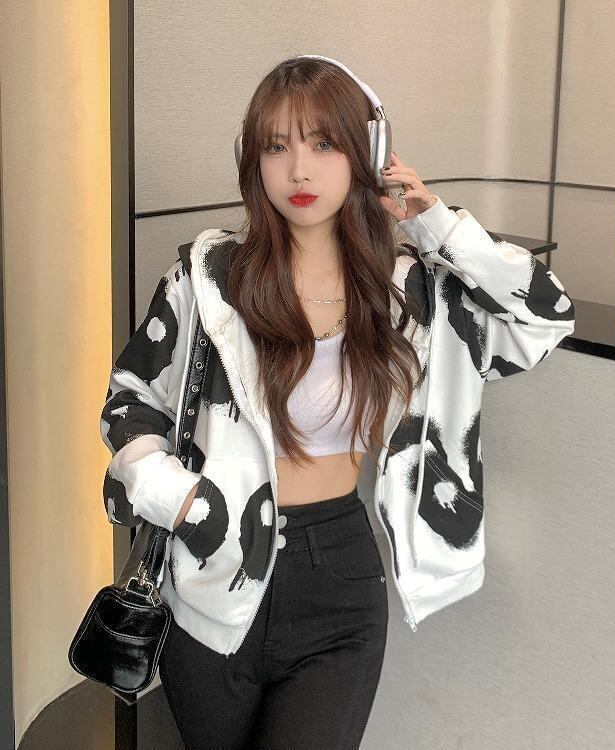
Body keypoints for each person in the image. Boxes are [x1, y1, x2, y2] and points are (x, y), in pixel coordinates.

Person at [100, 55, 575, 749]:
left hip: (339, 577)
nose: (299, 170)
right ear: (253, 161)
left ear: (367, 153)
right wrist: (182, 503)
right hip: (211, 568)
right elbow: (130, 401)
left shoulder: (407, 292)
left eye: (323, 144)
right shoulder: (208, 280)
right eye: (276, 147)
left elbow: (543, 318)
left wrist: (436, 225)